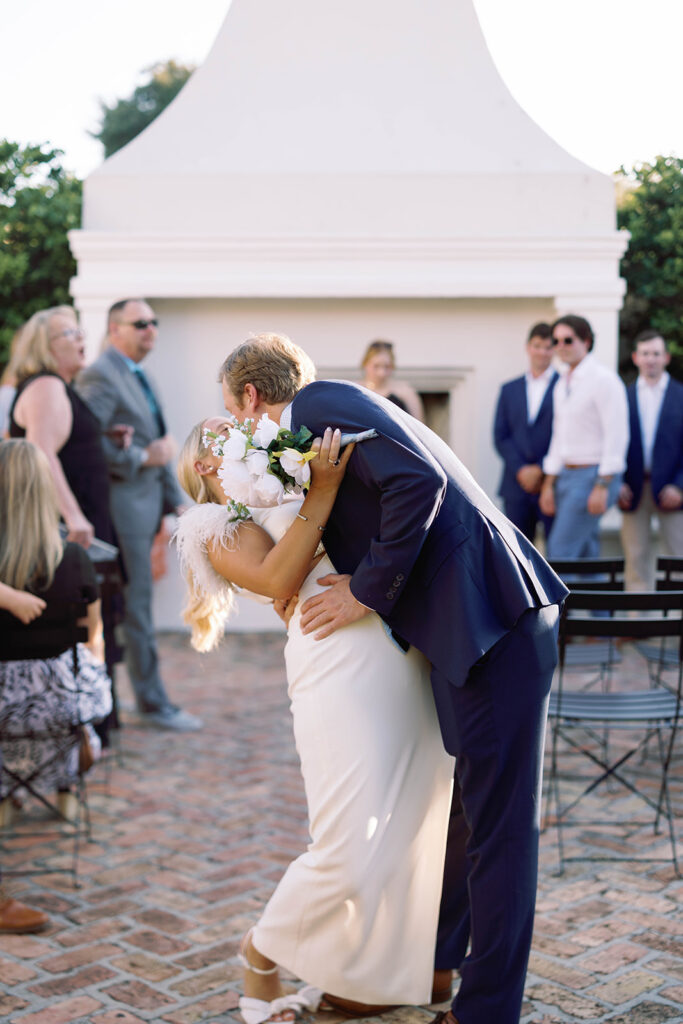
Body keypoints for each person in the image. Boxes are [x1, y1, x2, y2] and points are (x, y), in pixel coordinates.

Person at [219, 333, 568, 1024]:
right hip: (464, 632)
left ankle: (487, 1013)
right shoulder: (323, 420)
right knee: (463, 820)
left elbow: (419, 483)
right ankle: (435, 970)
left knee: (497, 829)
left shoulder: (322, 403)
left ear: (251, 396)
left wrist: (366, 590)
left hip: (493, 621)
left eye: (229, 411)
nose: (231, 425)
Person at [174, 418, 454, 1021]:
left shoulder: (286, 489)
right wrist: (323, 491)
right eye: (225, 432)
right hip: (333, 665)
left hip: (393, 648)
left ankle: (373, 976)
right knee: (347, 838)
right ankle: (260, 953)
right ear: (203, 465)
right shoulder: (213, 524)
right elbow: (279, 578)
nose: (248, 432)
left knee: (410, 817)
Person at [77, 299, 201, 732]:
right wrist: (141, 456)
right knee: (137, 610)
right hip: (120, 512)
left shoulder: (141, 374)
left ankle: (142, 700)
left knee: (137, 609)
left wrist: (178, 502)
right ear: (115, 329)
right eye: (140, 323)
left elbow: (161, 450)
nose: (151, 329)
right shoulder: (100, 374)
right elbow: (88, 445)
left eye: (155, 322)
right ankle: (152, 703)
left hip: (147, 508)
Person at [0, 439, 112, 819]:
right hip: (59, 706)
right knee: (80, 689)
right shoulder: (75, 559)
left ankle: (6, 792)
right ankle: (66, 786)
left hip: (2, 708)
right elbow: (94, 638)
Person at [540, 315, 629, 559]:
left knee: (559, 554)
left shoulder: (604, 380)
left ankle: (553, 600)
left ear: (586, 341)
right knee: (586, 556)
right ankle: (595, 597)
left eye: (568, 340)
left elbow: (617, 435)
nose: (560, 347)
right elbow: (559, 438)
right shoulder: (562, 384)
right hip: (566, 477)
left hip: (592, 477)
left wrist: (602, 485)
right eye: (556, 341)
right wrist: (548, 485)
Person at [618, 330, 683, 590]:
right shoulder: (623, 395)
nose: (650, 359)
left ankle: (676, 628)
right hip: (632, 489)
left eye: (656, 353)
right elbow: (614, 442)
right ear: (635, 357)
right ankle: (636, 625)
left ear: (666, 357)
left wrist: (679, 485)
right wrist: (617, 482)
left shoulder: (681, 395)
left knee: (678, 560)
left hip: (673, 490)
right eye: (645, 353)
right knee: (635, 559)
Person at [493, 322, 558, 542]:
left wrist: (540, 469)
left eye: (548, 347)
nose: (542, 352)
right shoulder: (509, 389)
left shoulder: (565, 386)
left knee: (557, 554)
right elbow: (500, 435)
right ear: (528, 347)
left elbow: (566, 435)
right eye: (537, 345)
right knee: (517, 553)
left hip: (552, 483)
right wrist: (521, 469)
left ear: (554, 350)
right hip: (515, 484)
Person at [360, 339, 424, 420]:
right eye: (376, 366)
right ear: (365, 364)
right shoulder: (355, 390)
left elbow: (419, 427)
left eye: (387, 367)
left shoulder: (406, 392)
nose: (381, 373)